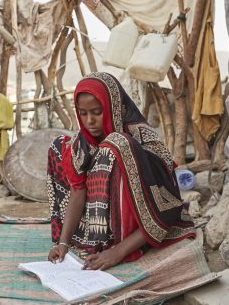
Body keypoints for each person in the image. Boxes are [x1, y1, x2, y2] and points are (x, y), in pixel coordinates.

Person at [46, 72, 194, 270]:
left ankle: (117, 241)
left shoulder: (139, 138)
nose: (89, 121)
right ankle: (94, 237)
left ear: (112, 107)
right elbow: (77, 192)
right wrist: (63, 243)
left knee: (116, 144)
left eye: (97, 112)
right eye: (83, 113)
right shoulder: (82, 144)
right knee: (59, 147)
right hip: (98, 216)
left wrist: (119, 251)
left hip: (141, 218)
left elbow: (167, 205)